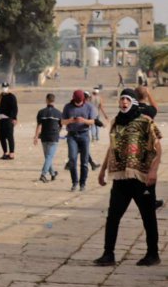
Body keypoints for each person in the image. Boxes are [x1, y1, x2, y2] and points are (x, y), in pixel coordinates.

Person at [95, 88, 161, 267]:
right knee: (113, 217)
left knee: (148, 217)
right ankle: (108, 254)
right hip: (121, 178)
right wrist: (102, 171)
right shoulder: (116, 122)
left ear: (133, 102)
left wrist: (153, 171)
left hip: (141, 178)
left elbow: (158, 148)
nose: (124, 102)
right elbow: (112, 147)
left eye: (127, 100)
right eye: (122, 99)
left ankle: (153, 254)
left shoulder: (145, 121)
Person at [61, 89, 96, 192]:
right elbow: (62, 121)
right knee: (72, 159)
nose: (78, 103)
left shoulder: (89, 107)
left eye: (80, 101)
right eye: (76, 101)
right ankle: (74, 182)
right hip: (72, 135)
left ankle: (82, 183)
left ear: (83, 99)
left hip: (84, 135)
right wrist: (70, 120)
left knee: (84, 161)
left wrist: (84, 120)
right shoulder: (67, 107)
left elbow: (93, 121)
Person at [33, 93, 61, 183]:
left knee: (48, 157)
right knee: (49, 157)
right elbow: (60, 126)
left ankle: (52, 173)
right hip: (53, 137)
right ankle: (43, 174)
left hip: (44, 137)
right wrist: (57, 133)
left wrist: (36, 137)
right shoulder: (58, 113)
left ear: (46, 100)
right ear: (54, 100)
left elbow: (38, 125)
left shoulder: (41, 112)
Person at [0, 83, 18, 160]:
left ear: (8, 87)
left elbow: (15, 108)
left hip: (8, 119)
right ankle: (5, 153)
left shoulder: (11, 96)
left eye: (6, 87)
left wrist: (14, 118)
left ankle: (11, 154)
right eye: (3, 87)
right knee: (1, 137)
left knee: (9, 136)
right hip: (0, 119)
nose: (4, 88)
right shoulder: (0, 97)